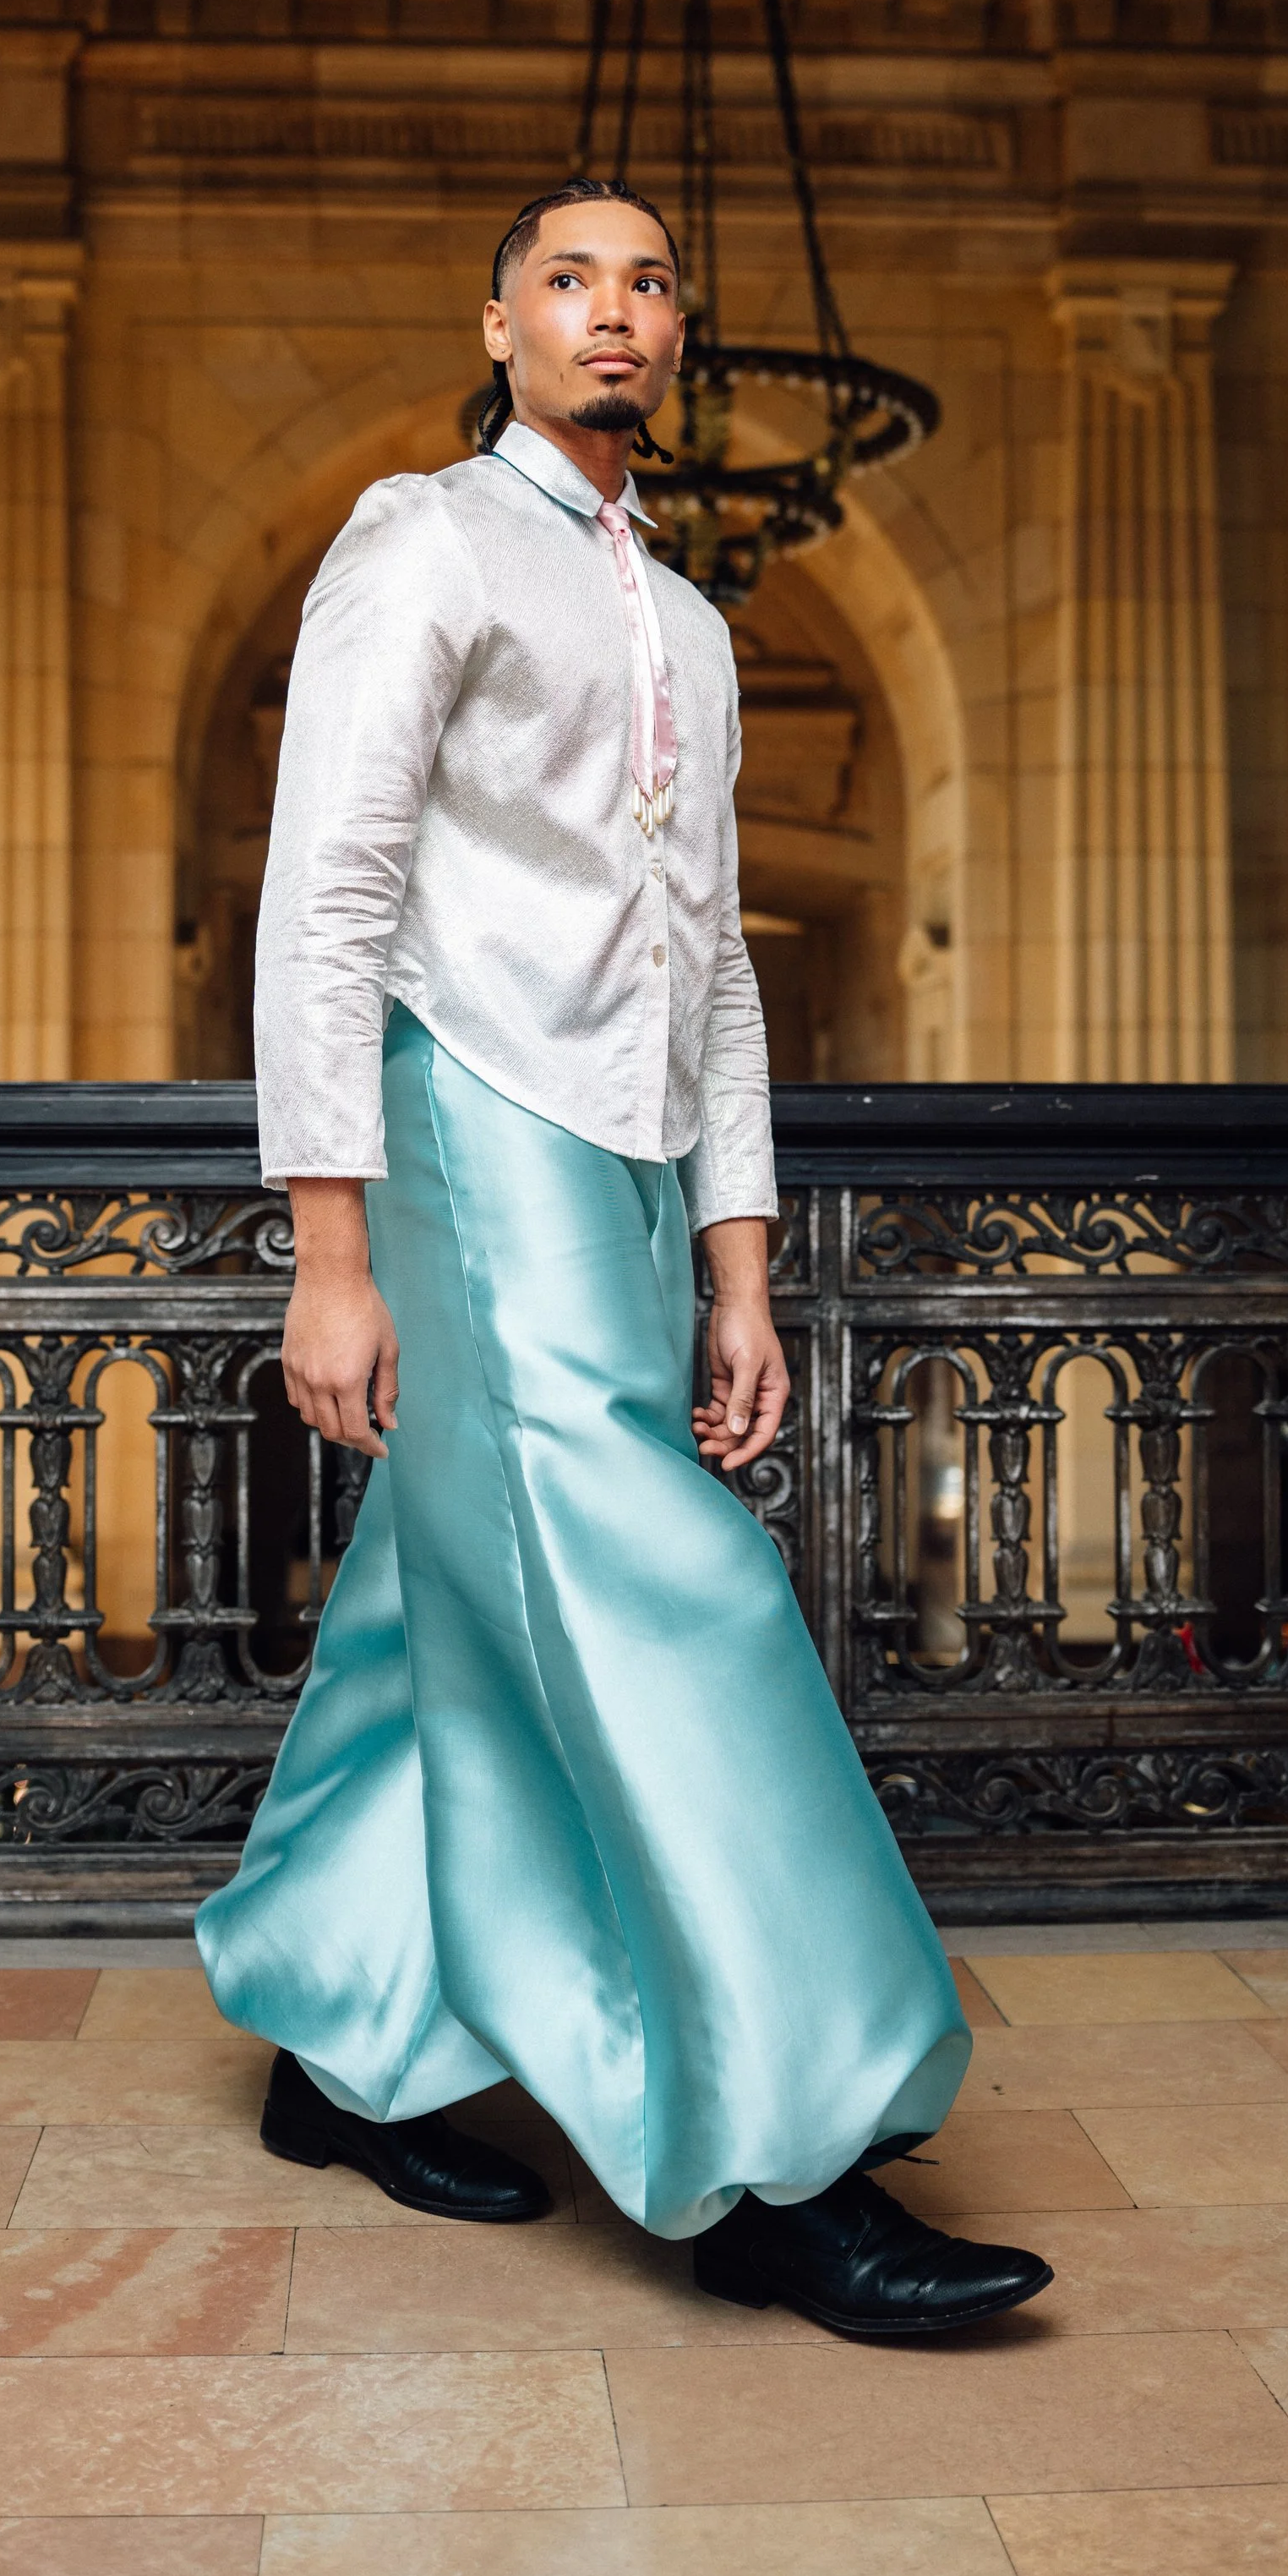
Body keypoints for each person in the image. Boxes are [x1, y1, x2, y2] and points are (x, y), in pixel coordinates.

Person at [194, 178, 1050, 2340]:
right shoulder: (419, 539)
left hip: (638, 1168)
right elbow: (327, 897)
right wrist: (328, 1245)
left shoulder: (679, 619)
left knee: (442, 1594)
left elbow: (723, 978)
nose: (612, 312)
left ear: (682, 337)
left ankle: (334, 2031)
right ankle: (783, 2150)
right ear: (496, 324)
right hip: (464, 1134)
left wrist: (739, 1268)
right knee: (672, 1587)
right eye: (567, 278)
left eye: (649, 282)